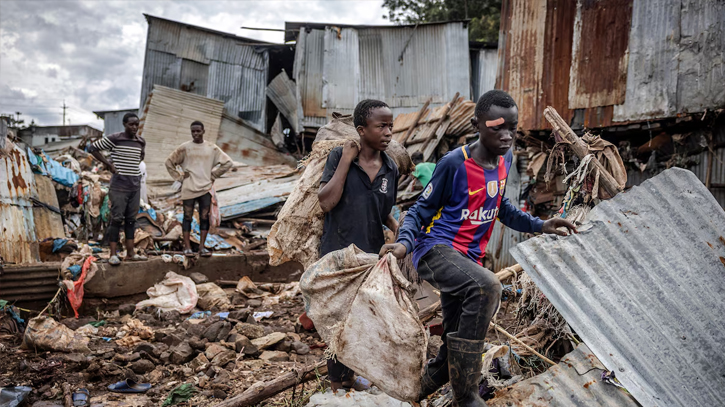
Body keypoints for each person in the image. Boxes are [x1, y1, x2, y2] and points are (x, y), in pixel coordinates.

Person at [380, 90, 577, 406]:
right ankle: (466, 395)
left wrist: (541, 225)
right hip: (434, 248)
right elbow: (419, 210)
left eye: (512, 127)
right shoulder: (455, 163)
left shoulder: (504, 159)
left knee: (451, 346)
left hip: (466, 258)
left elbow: (502, 207)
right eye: (497, 127)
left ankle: (405, 394)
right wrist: (403, 244)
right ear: (477, 124)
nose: (506, 136)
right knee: (486, 286)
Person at [317, 99, 399, 392]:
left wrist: (397, 229)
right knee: (338, 323)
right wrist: (345, 161)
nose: (389, 132)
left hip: (371, 255)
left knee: (364, 319)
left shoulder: (391, 168)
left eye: (391, 126)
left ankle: (355, 376)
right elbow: (326, 202)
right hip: (337, 254)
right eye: (382, 126)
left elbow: (382, 208)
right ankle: (337, 384)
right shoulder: (339, 157)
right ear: (362, 130)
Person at [165, 120, 232, 257]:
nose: (195, 134)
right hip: (189, 187)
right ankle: (187, 248)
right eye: (193, 131)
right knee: (187, 217)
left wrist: (213, 175)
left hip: (205, 188)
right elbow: (169, 162)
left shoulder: (211, 148)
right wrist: (179, 177)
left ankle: (202, 247)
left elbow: (227, 163)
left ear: (203, 131)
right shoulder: (184, 148)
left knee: (204, 217)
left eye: (198, 131)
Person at [89, 112, 147, 266]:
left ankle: (130, 253)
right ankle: (113, 254)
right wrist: (109, 164)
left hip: (135, 185)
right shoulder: (116, 138)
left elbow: (140, 157)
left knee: (131, 220)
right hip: (119, 185)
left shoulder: (141, 141)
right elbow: (92, 148)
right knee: (116, 219)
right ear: (124, 124)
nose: (134, 127)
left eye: (136, 124)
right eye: (131, 124)